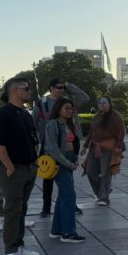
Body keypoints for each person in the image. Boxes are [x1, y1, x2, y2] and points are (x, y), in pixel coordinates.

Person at [0, 77, 41, 255]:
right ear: (14, 91)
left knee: (22, 208)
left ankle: (19, 245)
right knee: (12, 209)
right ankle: (10, 251)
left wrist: (34, 162)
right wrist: (9, 166)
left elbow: (32, 139)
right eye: (26, 88)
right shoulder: (3, 114)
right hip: (13, 169)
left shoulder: (25, 114)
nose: (29, 91)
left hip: (29, 167)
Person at [34, 79, 91, 217]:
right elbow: (34, 123)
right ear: (51, 88)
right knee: (48, 175)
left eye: (63, 87)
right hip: (50, 143)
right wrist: (37, 141)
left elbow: (85, 98)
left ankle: (71, 203)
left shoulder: (68, 101)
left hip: (70, 143)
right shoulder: (42, 103)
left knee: (68, 176)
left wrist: (69, 85)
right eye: (59, 87)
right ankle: (46, 207)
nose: (62, 90)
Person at [44, 97, 86, 243]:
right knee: (69, 196)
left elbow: (75, 142)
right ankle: (68, 233)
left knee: (63, 196)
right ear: (58, 110)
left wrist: (75, 159)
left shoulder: (69, 124)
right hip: (59, 163)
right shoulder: (53, 124)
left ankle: (56, 230)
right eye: (66, 108)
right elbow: (52, 148)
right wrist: (68, 163)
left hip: (69, 160)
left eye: (71, 108)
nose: (69, 111)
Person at [84, 95, 125, 206]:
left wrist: (118, 146)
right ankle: (104, 191)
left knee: (105, 173)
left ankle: (104, 197)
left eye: (104, 102)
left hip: (108, 148)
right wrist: (85, 146)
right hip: (94, 147)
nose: (102, 105)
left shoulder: (115, 115)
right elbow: (91, 132)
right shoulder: (97, 116)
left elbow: (121, 131)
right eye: (100, 103)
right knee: (90, 171)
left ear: (109, 104)